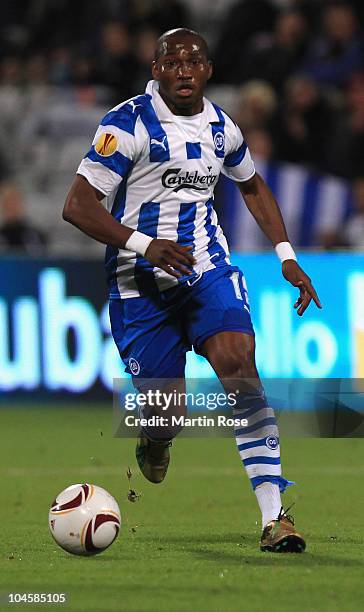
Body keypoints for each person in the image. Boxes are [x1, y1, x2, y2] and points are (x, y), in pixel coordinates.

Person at [63, 28, 321, 553]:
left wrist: (287, 256)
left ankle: (275, 518)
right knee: (168, 415)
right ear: (156, 68)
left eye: (194, 60)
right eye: (172, 60)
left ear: (208, 70)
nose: (183, 69)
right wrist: (144, 244)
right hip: (139, 287)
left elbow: (251, 184)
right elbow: (78, 205)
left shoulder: (221, 127)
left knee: (239, 365)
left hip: (205, 271)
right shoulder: (126, 123)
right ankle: (155, 441)